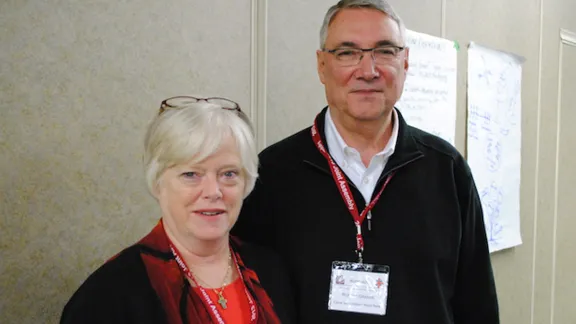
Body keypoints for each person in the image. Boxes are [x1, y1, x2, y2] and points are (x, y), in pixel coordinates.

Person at [231, 0, 499, 323]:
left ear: (405, 62)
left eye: (385, 51)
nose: (368, 70)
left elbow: (477, 306)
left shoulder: (448, 171)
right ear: (321, 66)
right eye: (347, 53)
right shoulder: (273, 175)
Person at [61, 96, 294, 324]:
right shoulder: (108, 296)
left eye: (228, 174)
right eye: (191, 174)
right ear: (158, 182)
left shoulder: (271, 271)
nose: (213, 191)